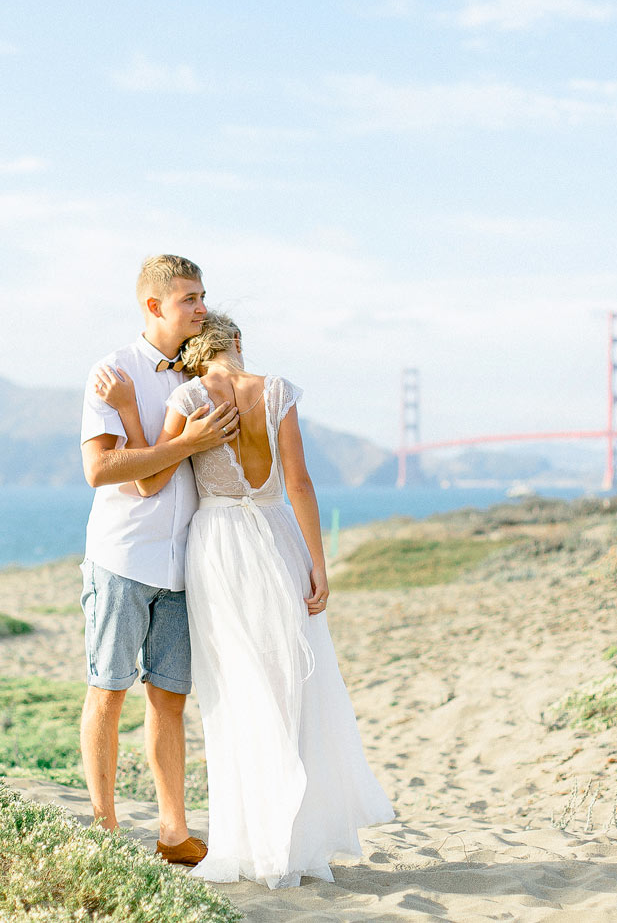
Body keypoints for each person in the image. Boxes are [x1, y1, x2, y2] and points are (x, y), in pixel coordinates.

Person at [93, 312, 394, 889]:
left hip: (221, 548)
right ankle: (296, 847)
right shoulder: (277, 391)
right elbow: (300, 484)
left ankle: (254, 844)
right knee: (289, 689)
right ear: (238, 343)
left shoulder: (188, 395)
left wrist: (131, 411)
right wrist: (318, 565)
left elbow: (152, 480)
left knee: (235, 693)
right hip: (280, 540)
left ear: (194, 354)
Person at [78, 254, 239, 867]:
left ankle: (173, 833)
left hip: (183, 565)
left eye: (202, 297)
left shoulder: (202, 374)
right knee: (108, 691)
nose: (202, 308)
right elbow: (99, 470)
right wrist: (185, 443)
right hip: (121, 558)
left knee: (169, 699)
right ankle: (103, 831)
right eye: (190, 299)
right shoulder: (114, 371)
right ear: (155, 306)